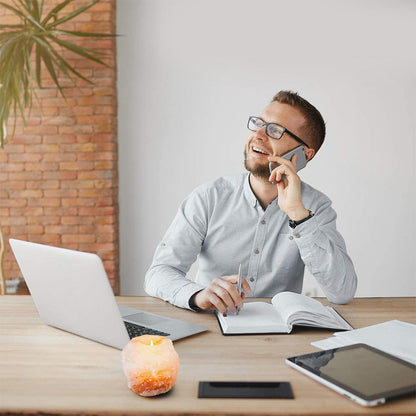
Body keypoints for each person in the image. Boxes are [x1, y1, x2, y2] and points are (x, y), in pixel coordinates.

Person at [144, 90, 357, 315]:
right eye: (259, 123)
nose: (258, 135)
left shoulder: (316, 208)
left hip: (281, 335)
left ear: (304, 154)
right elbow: (159, 272)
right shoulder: (208, 197)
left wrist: (298, 216)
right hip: (213, 327)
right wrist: (198, 295)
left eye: (275, 130)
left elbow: (341, 292)